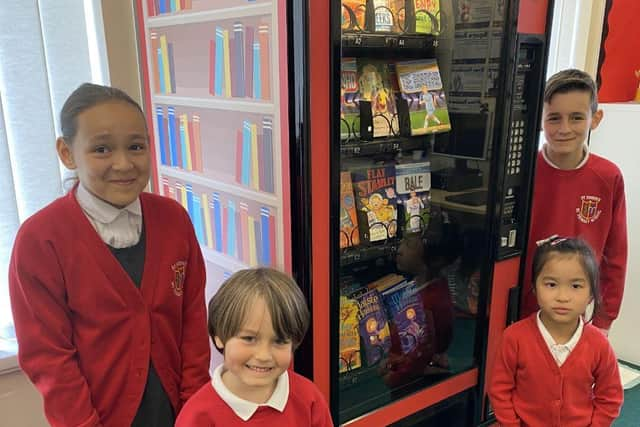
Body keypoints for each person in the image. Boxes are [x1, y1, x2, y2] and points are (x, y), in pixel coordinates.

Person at [8, 83, 211, 426]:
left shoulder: (173, 220)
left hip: (177, 413)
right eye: (102, 149)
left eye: (136, 146)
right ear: (67, 153)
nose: (123, 163)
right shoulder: (40, 240)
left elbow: (192, 321)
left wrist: (194, 408)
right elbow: (49, 358)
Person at [521, 69, 627, 334]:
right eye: (554, 118)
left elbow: (616, 255)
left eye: (576, 117)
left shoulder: (608, 177)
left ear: (595, 118)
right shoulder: (522, 172)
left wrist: (603, 321)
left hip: (573, 320)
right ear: (541, 120)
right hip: (516, 313)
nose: (564, 129)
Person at [489, 237, 623, 426]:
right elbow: (500, 390)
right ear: (535, 287)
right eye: (551, 284)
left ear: (591, 294)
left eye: (576, 286)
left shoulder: (598, 345)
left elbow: (610, 396)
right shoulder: (514, 337)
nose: (562, 297)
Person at [175, 268, 334, 426]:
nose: (263, 356)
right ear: (219, 337)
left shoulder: (310, 400)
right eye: (249, 338)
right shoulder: (197, 416)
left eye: (279, 341)